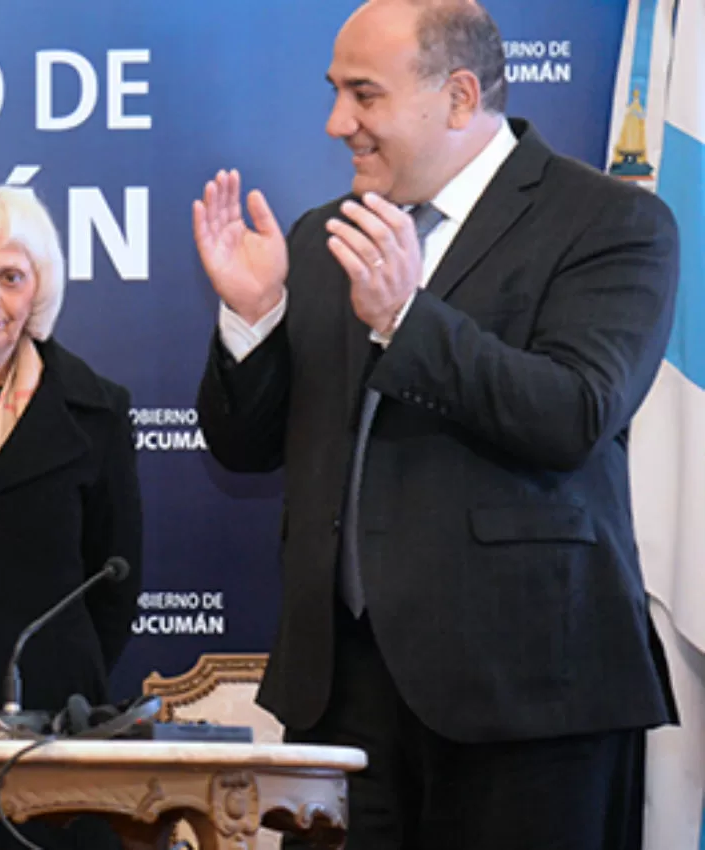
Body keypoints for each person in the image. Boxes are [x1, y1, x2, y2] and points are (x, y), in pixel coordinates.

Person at [192, 1, 678, 848]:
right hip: (341, 699)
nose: (337, 122)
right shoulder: (321, 240)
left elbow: (576, 413)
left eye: (364, 95)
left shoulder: (612, 222)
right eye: (336, 92)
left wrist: (406, 321)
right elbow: (244, 449)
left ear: (458, 97)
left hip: (527, 703)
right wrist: (254, 319)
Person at [0, 186, 142, 849]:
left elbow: (114, 581)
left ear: (36, 291)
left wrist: (56, 675)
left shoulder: (96, 410)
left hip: (52, 737)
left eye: (11, 277)